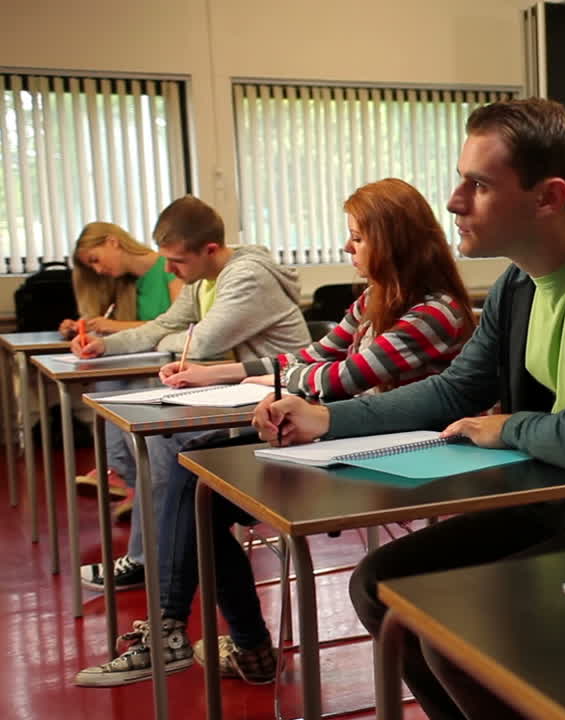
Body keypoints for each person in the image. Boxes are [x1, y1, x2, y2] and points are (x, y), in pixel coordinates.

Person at [249, 98, 565, 718]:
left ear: (548, 197)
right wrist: (328, 417)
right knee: (380, 588)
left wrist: (508, 426)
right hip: (564, 499)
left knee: (460, 629)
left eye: (478, 185)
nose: (453, 201)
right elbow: (454, 392)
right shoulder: (518, 281)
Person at [74, 178, 475, 687]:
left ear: (394, 240)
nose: (345, 247)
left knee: (199, 481)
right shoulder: (376, 299)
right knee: (195, 473)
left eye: (357, 237)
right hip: (351, 440)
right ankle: (195, 635)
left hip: (394, 460)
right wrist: (223, 373)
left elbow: (343, 376)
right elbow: (312, 356)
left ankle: (200, 637)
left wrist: (278, 381)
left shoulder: (432, 311)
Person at [71, 196, 310, 599]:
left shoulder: (247, 277)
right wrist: (103, 345)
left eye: (177, 261)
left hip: (284, 400)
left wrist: (171, 338)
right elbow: (166, 327)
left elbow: (201, 342)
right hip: (240, 390)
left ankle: (160, 568)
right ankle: (159, 558)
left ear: (210, 250)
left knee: (167, 446)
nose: (168, 270)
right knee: (153, 439)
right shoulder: (201, 279)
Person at [58, 222, 182, 506]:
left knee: (121, 390)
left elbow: (177, 324)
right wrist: (86, 332)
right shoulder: (125, 283)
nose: (98, 270)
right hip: (146, 358)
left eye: (95, 260)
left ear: (113, 242)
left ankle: (125, 478)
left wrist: (113, 326)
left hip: (171, 361)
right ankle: (127, 480)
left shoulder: (172, 267)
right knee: (109, 380)